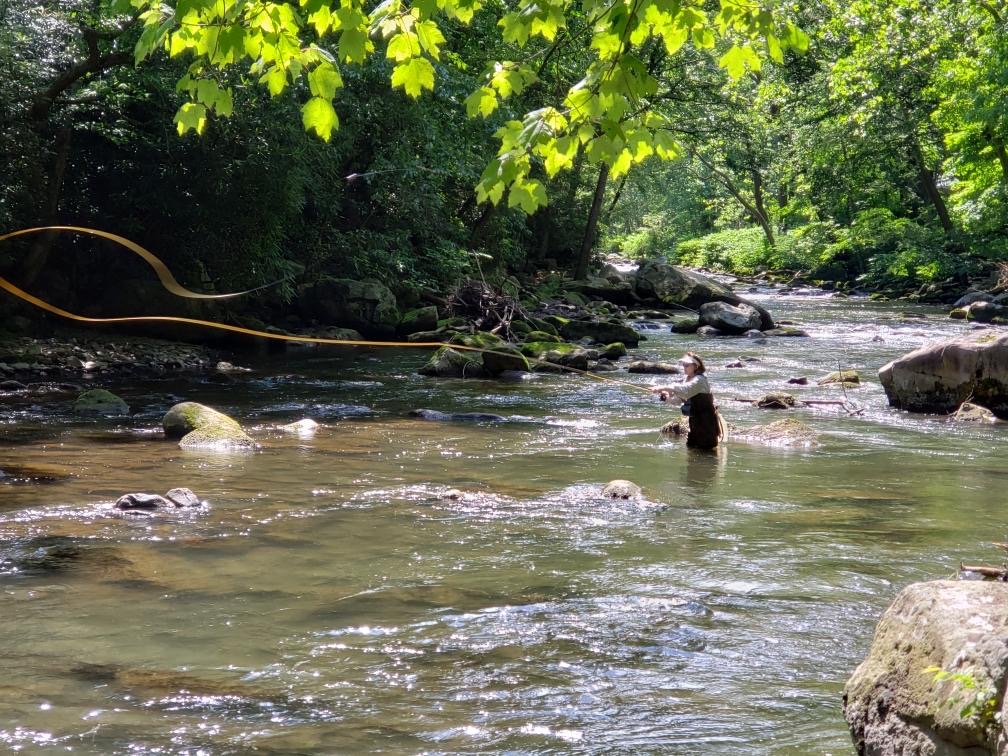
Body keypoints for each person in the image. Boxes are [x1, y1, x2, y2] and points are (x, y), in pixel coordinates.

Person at [650, 352, 723, 450]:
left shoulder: (699, 380)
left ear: (696, 366)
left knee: (706, 450)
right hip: (694, 421)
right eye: (683, 365)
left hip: (706, 422)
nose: (684, 367)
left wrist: (663, 387)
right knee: (692, 450)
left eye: (687, 365)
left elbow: (685, 390)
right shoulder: (687, 380)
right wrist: (666, 397)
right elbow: (678, 400)